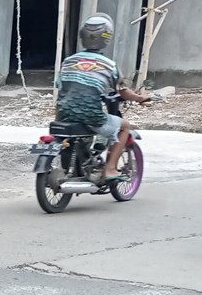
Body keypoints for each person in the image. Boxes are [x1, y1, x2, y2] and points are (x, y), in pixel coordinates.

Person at [54, 13, 152, 185]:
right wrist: (140, 98)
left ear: (82, 36)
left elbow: (61, 86)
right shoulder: (109, 65)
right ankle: (110, 169)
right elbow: (123, 92)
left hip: (63, 113)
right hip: (91, 115)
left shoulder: (68, 62)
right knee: (124, 126)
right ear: (107, 37)